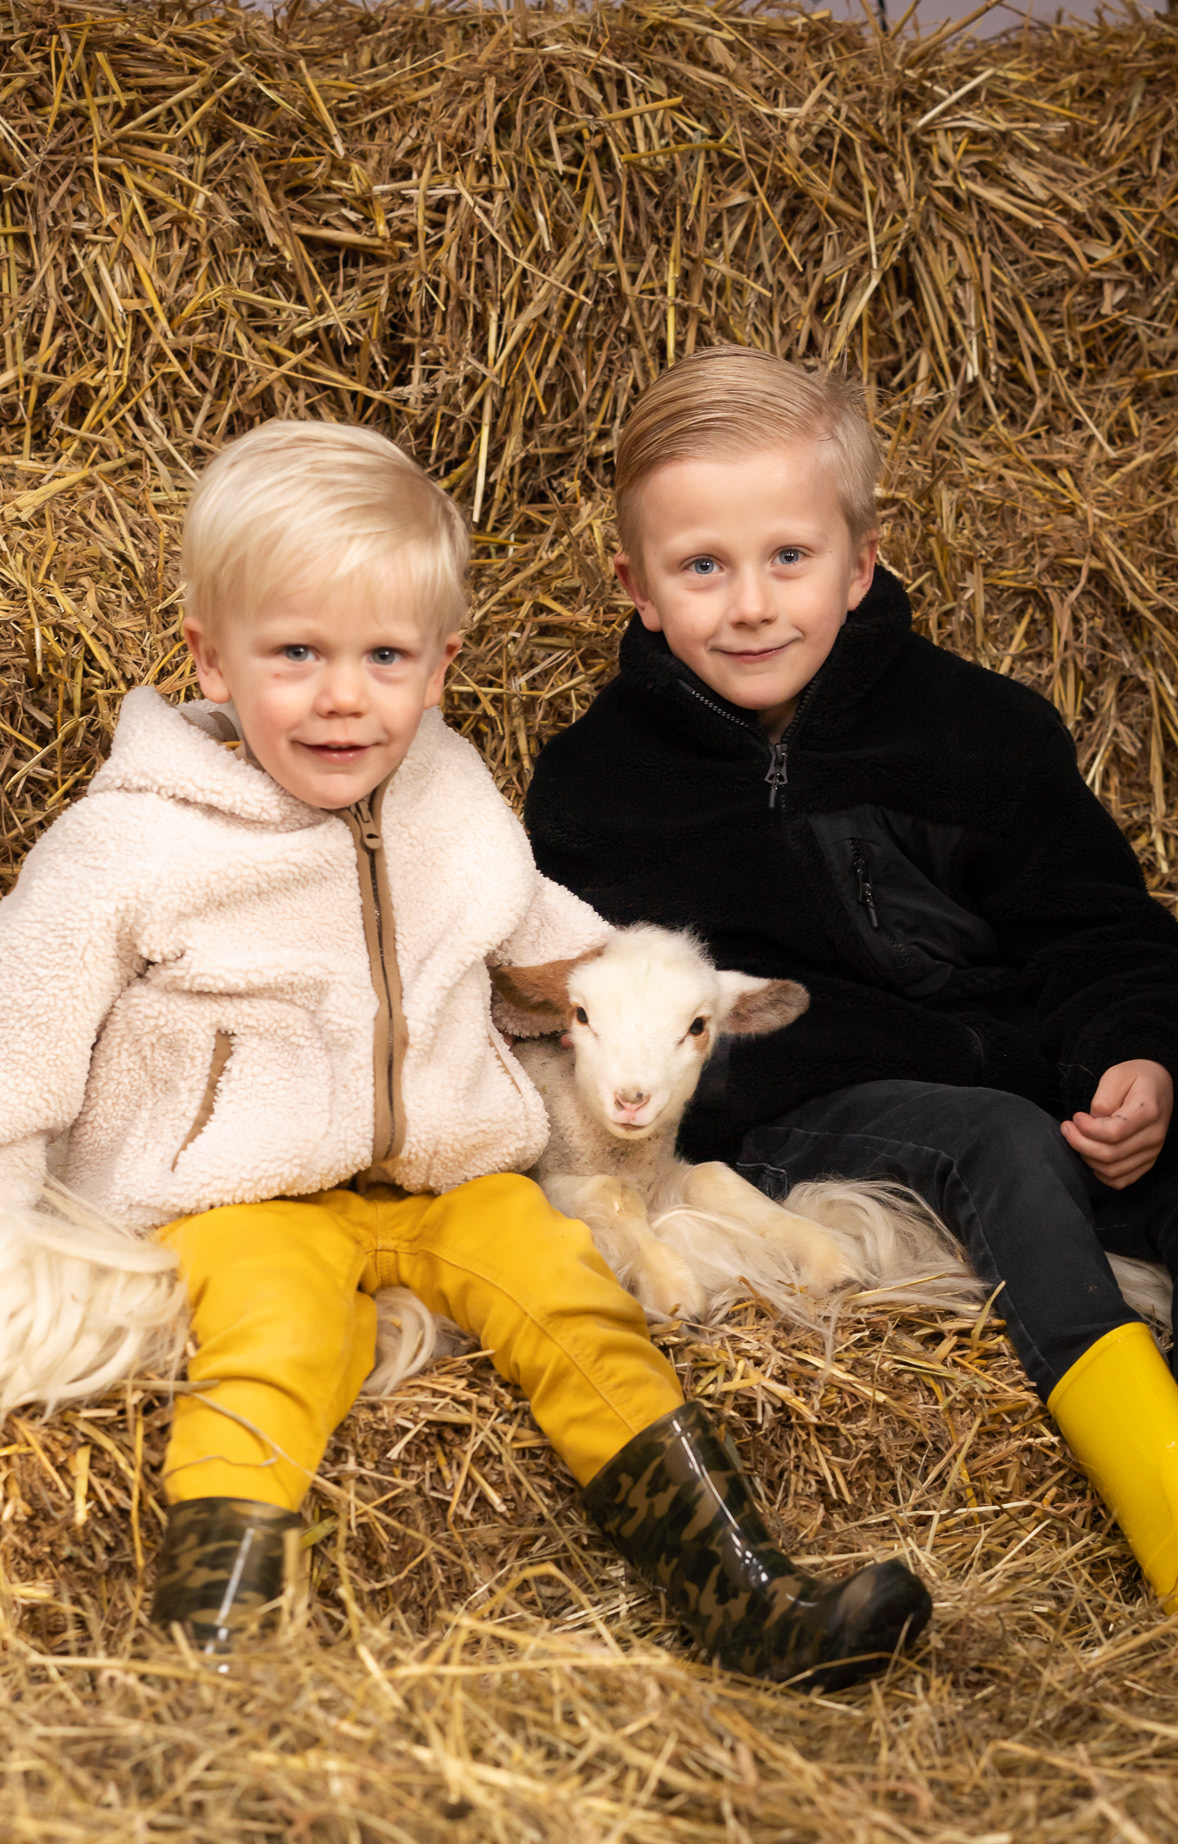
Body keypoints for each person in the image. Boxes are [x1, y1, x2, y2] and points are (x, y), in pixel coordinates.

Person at [0, 419, 932, 1687]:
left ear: (441, 666)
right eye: (296, 653)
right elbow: (25, 1023)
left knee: (571, 1289)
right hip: (235, 1195)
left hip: (446, 1178)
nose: (345, 695)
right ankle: (215, 1636)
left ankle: (744, 1591)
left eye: (385, 655)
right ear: (210, 656)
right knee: (274, 1338)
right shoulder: (132, 844)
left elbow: (542, 934)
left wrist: (636, 1000)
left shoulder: (449, 795)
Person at [525, 345, 1178, 1650]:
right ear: (636, 588)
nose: (751, 604)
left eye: (789, 557)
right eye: (701, 568)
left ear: (860, 564)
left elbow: (1101, 932)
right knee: (996, 1136)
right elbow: (611, 1023)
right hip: (802, 1114)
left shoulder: (983, 735)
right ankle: (1171, 1514)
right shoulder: (598, 787)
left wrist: (1142, 1061)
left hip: (1019, 1086)